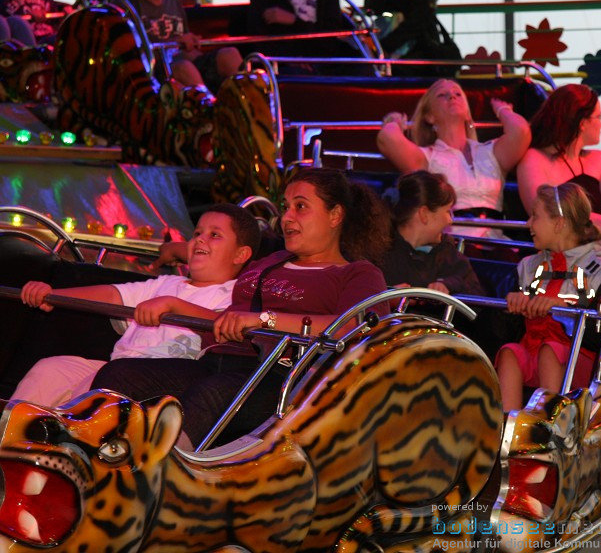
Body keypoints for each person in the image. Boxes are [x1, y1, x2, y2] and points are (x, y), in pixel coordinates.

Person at [92, 167, 392, 448]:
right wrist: (174, 298)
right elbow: (230, 316)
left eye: (300, 207)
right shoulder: (268, 262)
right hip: (219, 359)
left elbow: (356, 326)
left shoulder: (357, 273)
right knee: (121, 374)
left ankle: (160, 480)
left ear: (335, 215)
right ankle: (92, 456)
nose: (287, 217)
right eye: (285, 207)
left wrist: (265, 320)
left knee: (209, 396)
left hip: (281, 377)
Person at [13, 204, 260, 407]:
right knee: (51, 369)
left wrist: (173, 306)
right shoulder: (167, 283)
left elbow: (223, 325)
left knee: (92, 389)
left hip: (155, 384)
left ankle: (58, 438)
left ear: (240, 255)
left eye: (214, 235)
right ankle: (9, 437)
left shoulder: (233, 294)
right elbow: (113, 295)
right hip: (114, 366)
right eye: (197, 233)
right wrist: (54, 295)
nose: (200, 240)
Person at [495, 183, 601, 412]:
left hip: (580, 360)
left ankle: (550, 428)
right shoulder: (527, 266)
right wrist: (513, 303)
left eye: (535, 216)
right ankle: (509, 430)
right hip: (534, 350)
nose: (528, 224)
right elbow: (504, 329)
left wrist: (564, 310)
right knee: (509, 353)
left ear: (559, 223)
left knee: (550, 350)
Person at [377, 78, 530, 239]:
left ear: (467, 112)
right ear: (429, 116)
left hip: (497, 245)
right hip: (455, 247)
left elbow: (521, 131)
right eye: (442, 95)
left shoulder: (491, 151)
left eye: (458, 93)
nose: (452, 97)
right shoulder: (427, 157)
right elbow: (388, 139)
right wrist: (394, 122)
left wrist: (503, 110)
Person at [517, 84, 601, 243]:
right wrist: (590, 221)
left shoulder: (599, 159)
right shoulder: (533, 159)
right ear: (582, 123)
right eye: (599, 117)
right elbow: (542, 210)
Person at [124, 0, 242, 91]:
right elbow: (129, 57)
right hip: (153, 74)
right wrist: (175, 43)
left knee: (229, 55)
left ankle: (249, 107)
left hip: (184, 64)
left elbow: (185, 50)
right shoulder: (126, 6)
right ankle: (207, 109)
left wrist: (190, 45)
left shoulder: (172, 1)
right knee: (185, 68)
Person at [381, 170, 484, 296]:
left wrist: (450, 285)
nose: (450, 221)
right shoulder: (379, 255)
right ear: (424, 214)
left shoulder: (449, 255)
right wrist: (387, 298)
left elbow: (478, 305)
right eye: (447, 211)